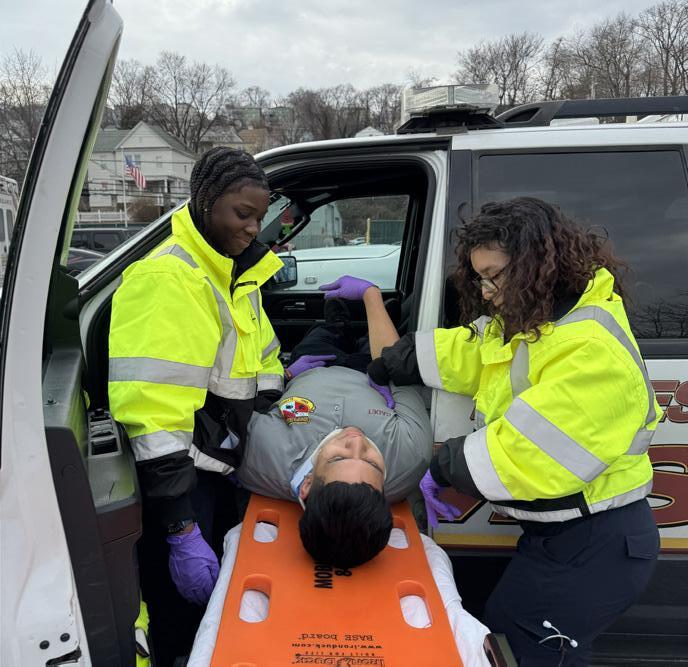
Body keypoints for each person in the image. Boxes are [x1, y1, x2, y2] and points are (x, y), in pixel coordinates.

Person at [355, 197, 661, 665]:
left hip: (599, 542)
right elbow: (474, 352)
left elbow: (528, 454)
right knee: (507, 630)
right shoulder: (534, 321)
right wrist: (397, 361)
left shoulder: (590, 347)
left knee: (526, 646)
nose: (487, 291)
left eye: (495, 275)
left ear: (536, 264)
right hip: (564, 535)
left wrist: (439, 466)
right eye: (480, 278)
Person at [108, 148, 332, 664]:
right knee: (181, 618)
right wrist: (180, 528)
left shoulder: (235, 275)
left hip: (221, 467)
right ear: (207, 201)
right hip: (180, 482)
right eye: (242, 214)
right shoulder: (170, 280)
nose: (254, 228)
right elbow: (154, 416)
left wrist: (284, 402)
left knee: (216, 609)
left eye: (260, 216)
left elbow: (263, 361)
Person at [237, 298, 433, 568]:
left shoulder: (258, 455)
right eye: (373, 463)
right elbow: (399, 371)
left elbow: (239, 397)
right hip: (372, 368)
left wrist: (285, 374)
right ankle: (370, 320)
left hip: (313, 364)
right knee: (373, 335)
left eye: (338, 458)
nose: (357, 441)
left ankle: (337, 322)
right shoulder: (411, 456)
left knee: (324, 332)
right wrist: (371, 297)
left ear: (307, 485)